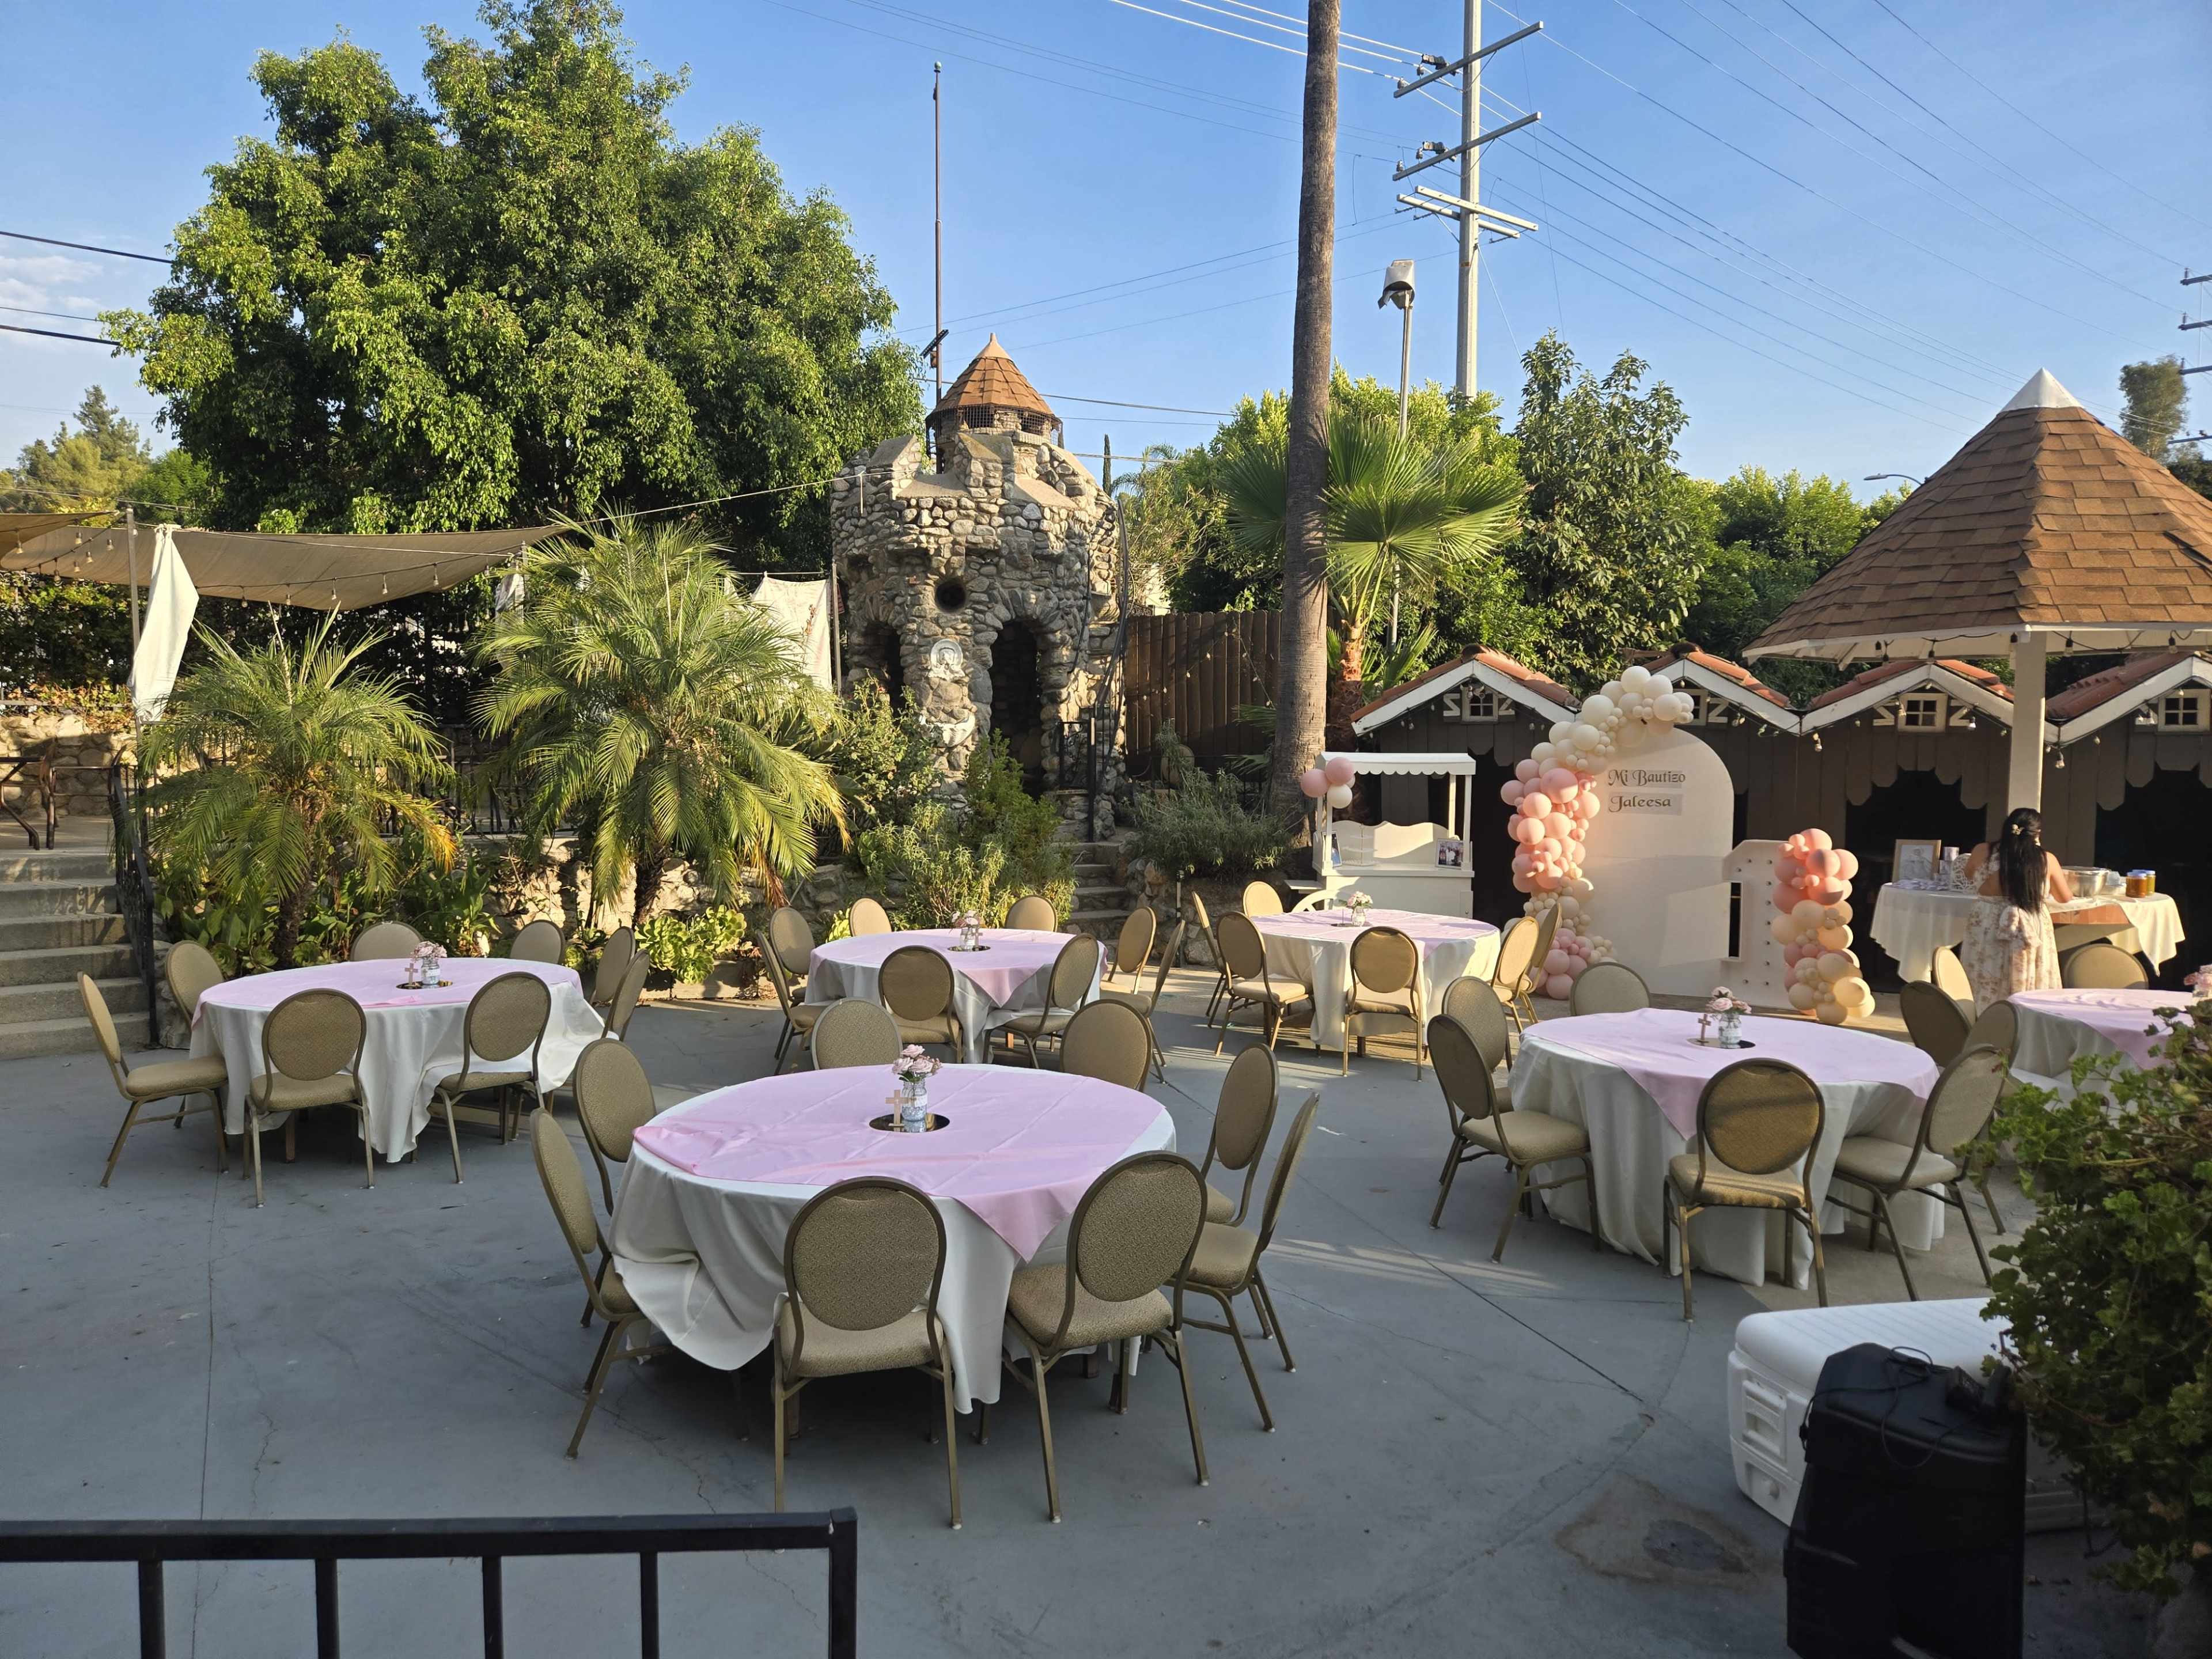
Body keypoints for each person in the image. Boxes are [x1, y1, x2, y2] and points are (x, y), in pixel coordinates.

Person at [1957, 808, 2073, 1007]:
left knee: (1984, 973)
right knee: (2030, 979)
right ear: (2037, 834)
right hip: (2029, 921)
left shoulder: (1982, 851)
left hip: (1988, 921)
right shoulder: (2045, 859)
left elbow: (1968, 875)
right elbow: (2064, 897)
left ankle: (1980, 1015)